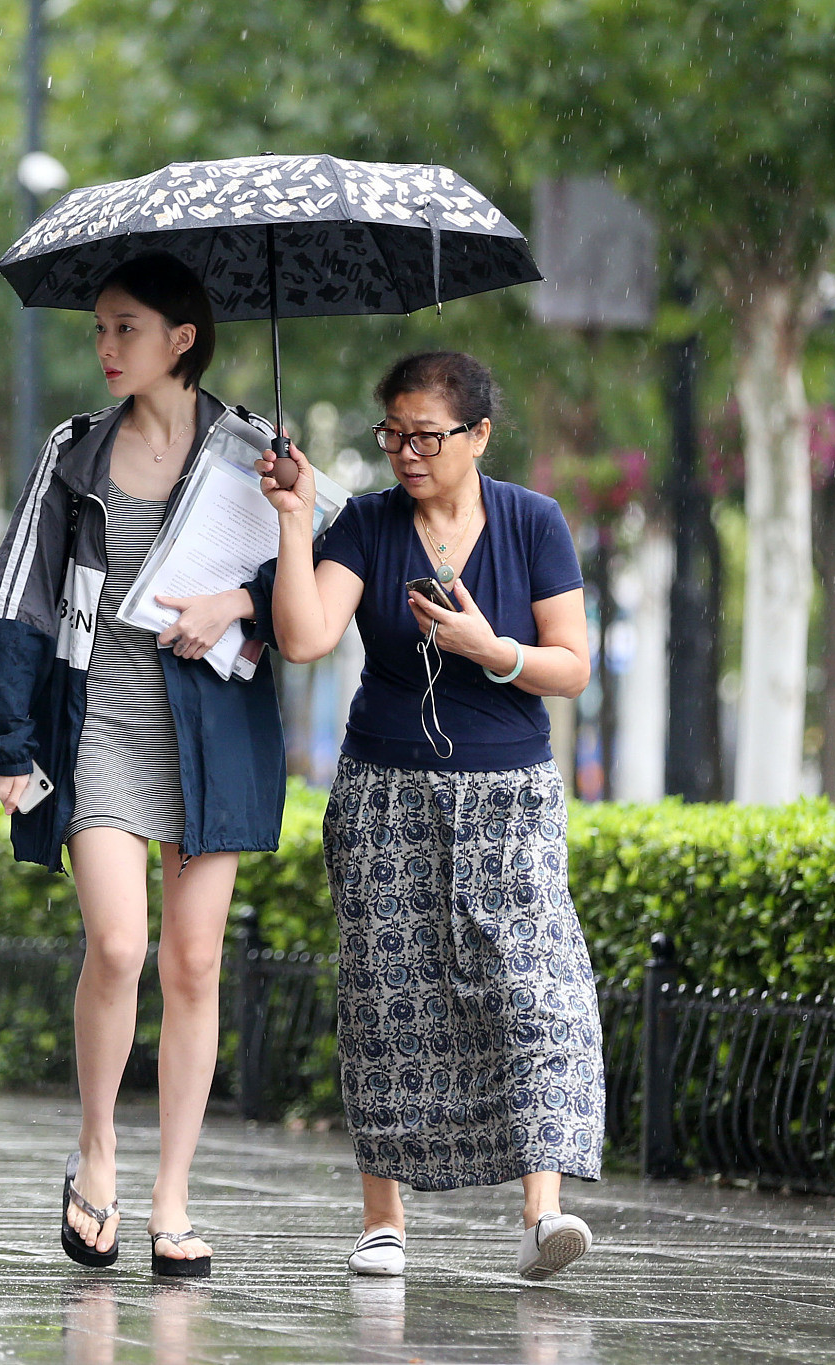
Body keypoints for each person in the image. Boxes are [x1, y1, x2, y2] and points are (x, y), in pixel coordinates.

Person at [0, 253, 286, 1277]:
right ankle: (95, 1148)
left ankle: (171, 1193)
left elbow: (319, 596)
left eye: (124, 329)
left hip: (213, 726)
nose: (103, 349)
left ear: (181, 340)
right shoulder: (74, 453)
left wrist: (246, 597)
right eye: (98, 329)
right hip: (98, 716)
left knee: (193, 965)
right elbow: (20, 588)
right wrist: (1, 739)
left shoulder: (253, 457)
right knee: (120, 944)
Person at [250, 351, 604, 1281]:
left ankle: (542, 1212)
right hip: (384, 790)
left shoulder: (533, 521)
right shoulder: (366, 523)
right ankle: (384, 1219)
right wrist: (296, 522)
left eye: (427, 436)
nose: (408, 452)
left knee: (538, 989)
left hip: (509, 792)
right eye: (394, 435)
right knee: (388, 994)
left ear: (478, 435)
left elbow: (572, 664)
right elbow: (305, 637)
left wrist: (495, 648)